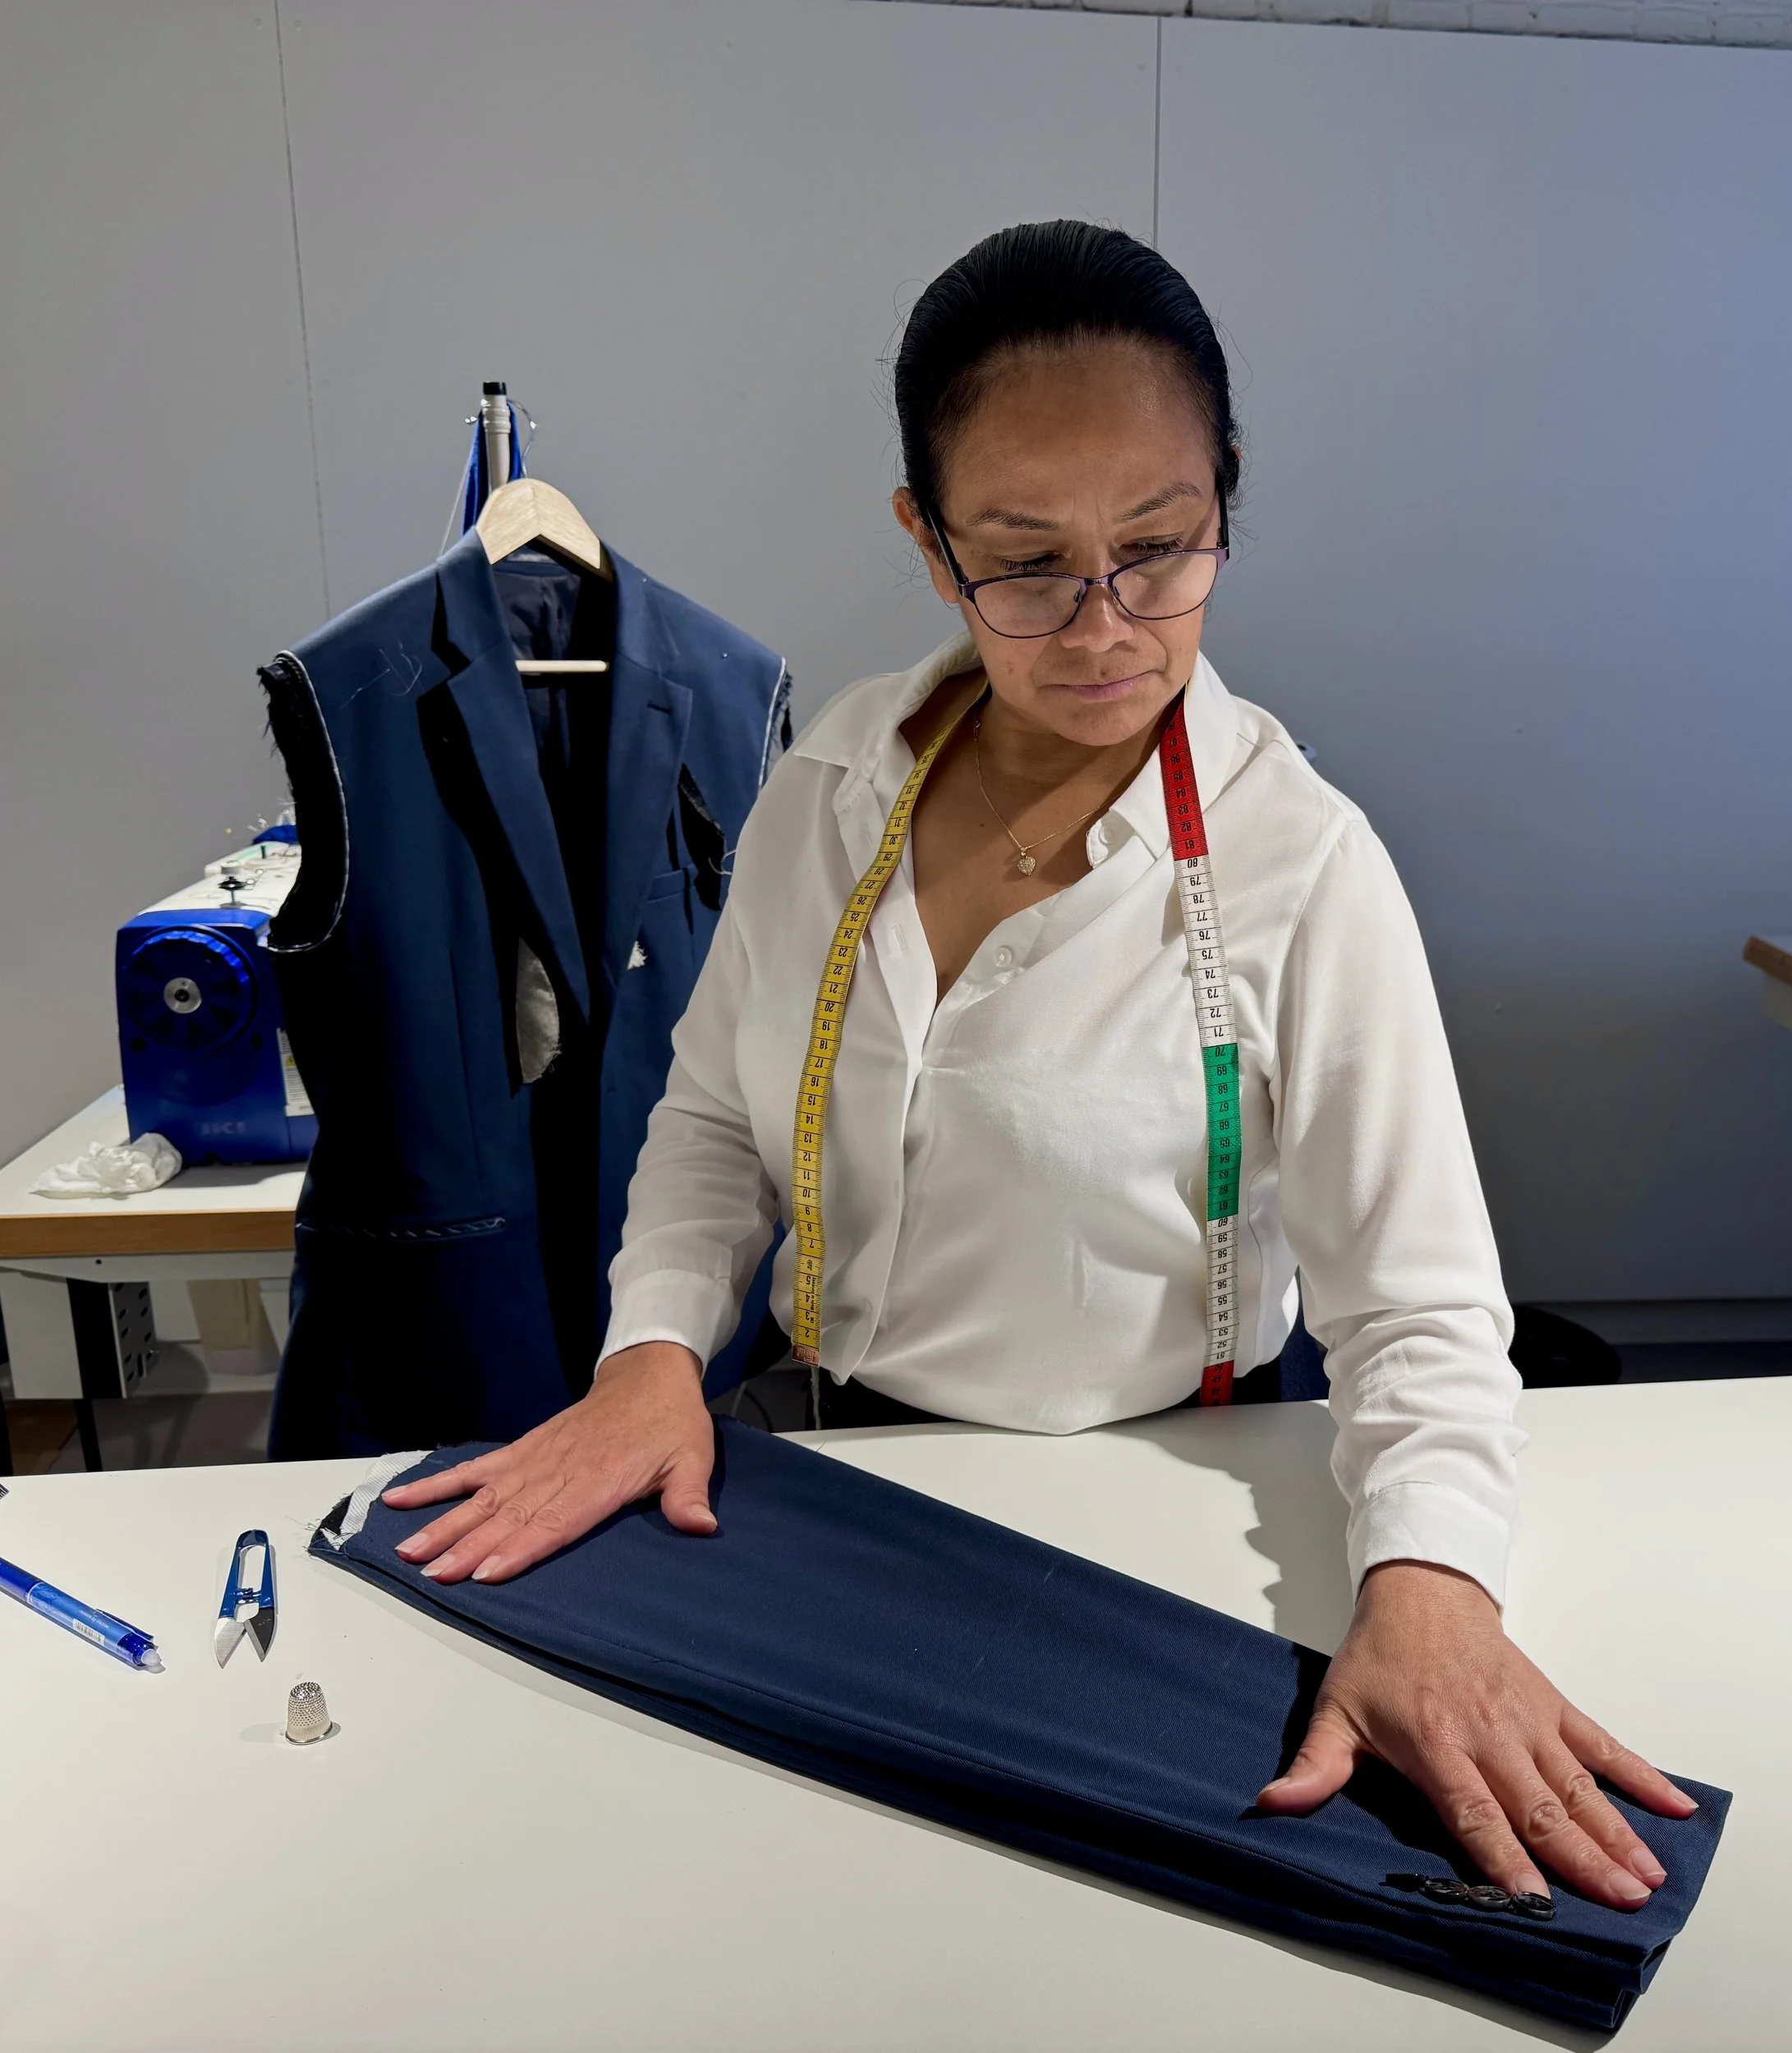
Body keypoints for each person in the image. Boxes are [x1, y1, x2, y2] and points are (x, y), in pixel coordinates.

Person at [384, 220, 1696, 1909]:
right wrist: (649, 1353)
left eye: (1158, 545)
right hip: (833, 1485)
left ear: (1226, 498)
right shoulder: (829, 790)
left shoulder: (1303, 864)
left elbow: (1420, 1310)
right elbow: (714, 1120)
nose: (1101, 624)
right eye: (1023, 561)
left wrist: (1433, 1580)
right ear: (925, 545)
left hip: (1187, 1517)